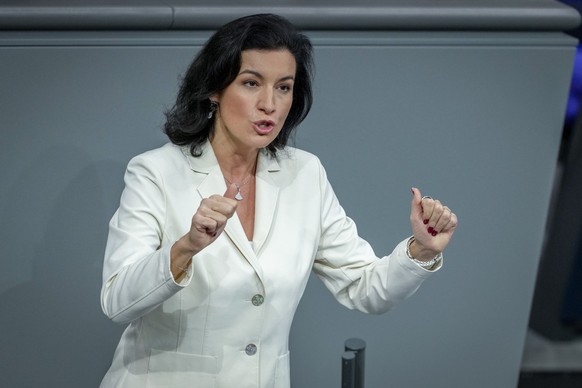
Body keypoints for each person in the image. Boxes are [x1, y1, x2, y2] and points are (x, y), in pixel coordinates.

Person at [99, 13, 458, 388]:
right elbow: (117, 301)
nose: (269, 104)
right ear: (214, 89)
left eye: (283, 87)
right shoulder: (156, 171)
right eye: (251, 83)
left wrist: (420, 250)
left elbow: (365, 287)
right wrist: (185, 248)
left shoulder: (305, 174)